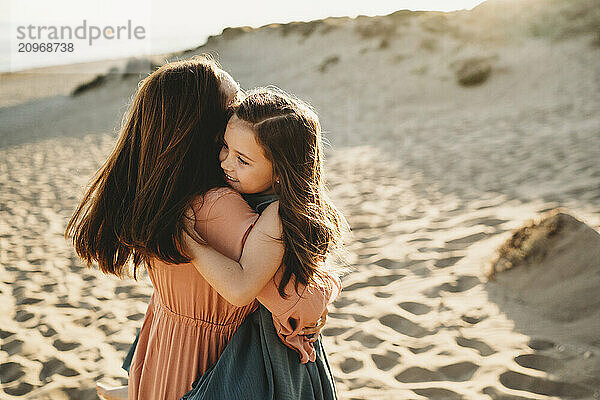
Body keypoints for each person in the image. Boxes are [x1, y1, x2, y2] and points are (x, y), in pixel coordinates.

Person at [65, 58, 344, 400]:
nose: (243, 107)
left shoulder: (154, 192)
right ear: (214, 131)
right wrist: (325, 287)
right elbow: (298, 306)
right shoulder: (219, 208)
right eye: (234, 105)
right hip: (207, 364)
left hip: (164, 348)